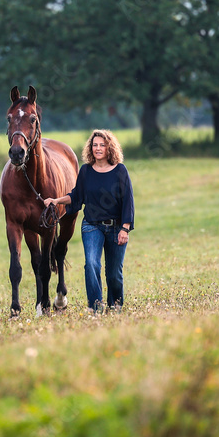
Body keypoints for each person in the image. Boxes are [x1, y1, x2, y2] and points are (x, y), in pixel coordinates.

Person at [43, 129, 134, 312]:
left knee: (114, 273)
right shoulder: (86, 171)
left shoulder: (120, 171)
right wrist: (56, 200)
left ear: (110, 147)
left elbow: (128, 201)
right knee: (91, 264)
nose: (98, 148)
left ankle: (115, 305)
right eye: (95, 145)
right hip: (92, 226)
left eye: (102, 145)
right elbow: (76, 196)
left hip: (116, 228)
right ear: (90, 148)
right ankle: (95, 306)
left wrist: (125, 228)